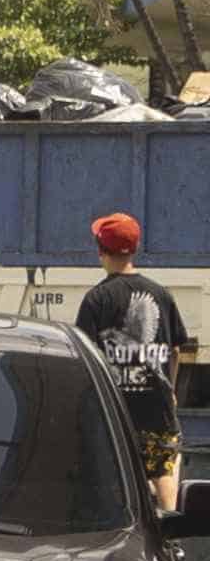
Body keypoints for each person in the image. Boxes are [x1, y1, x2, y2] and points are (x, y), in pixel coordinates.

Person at [75, 211, 191, 498]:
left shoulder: (96, 299)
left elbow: (86, 357)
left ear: (101, 251)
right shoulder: (161, 294)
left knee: (113, 484)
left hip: (115, 411)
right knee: (164, 472)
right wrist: (171, 389)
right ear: (135, 249)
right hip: (157, 410)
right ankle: (169, 535)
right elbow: (176, 349)